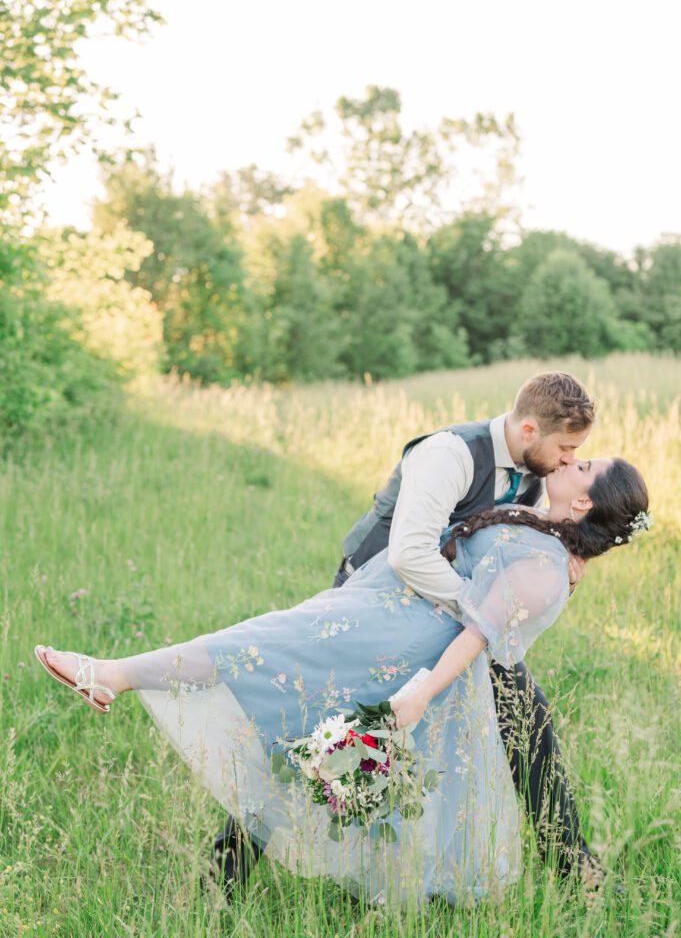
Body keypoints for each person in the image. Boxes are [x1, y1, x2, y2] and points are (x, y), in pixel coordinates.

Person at [34, 452, 650, 907]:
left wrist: (418, 696)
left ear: (585, 502)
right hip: (380, 619)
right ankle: (234, 870)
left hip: (397, 644)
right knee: (292, 700)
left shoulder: (546, 568)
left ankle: (114, 676)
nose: (571, 458)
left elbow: (476, 639)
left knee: (264, 662)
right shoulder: (543, 527)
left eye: (585, 464)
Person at [217, 370, 601, 889]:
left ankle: (576, 868)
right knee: (322, 737)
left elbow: (508, 549)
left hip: (450, 616)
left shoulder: (536, 471)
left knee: (526, 716)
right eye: (567, 447)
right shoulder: (450, 453)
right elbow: (409, 554)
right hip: (374, 607)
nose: (568, 460)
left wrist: (570, 552)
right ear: (530, 429)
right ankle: (224, 871)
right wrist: (479, 615)